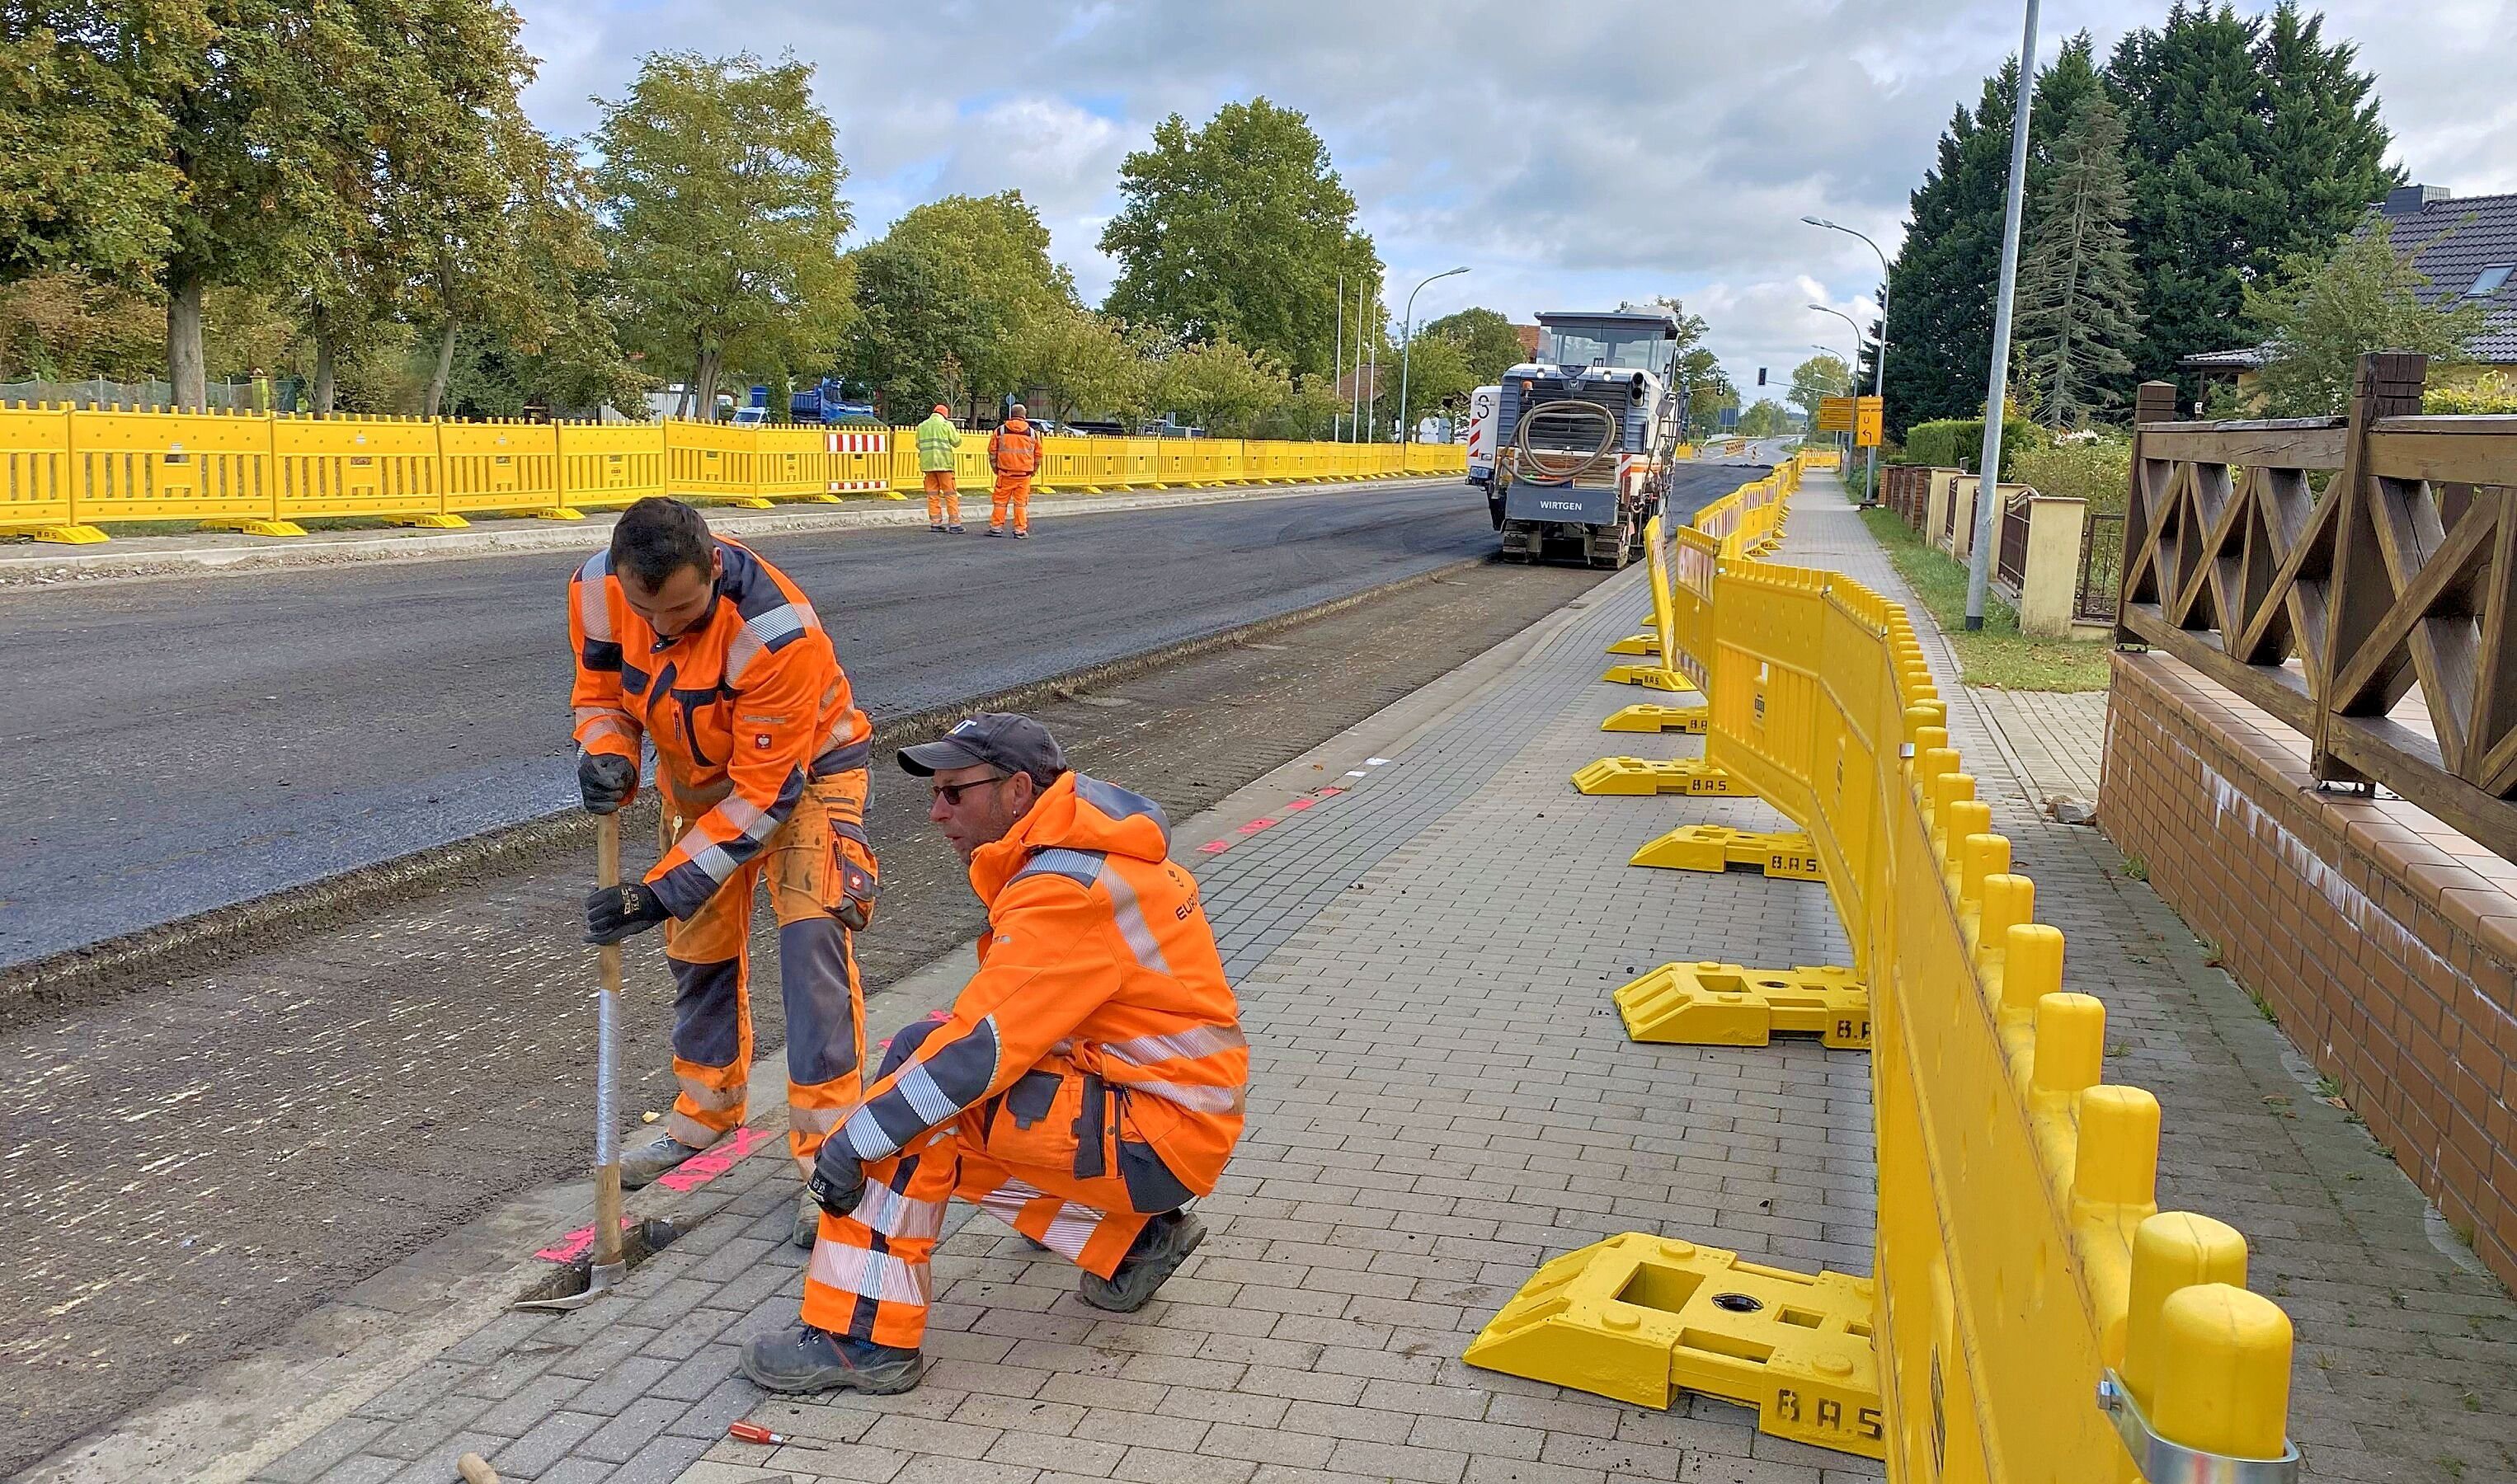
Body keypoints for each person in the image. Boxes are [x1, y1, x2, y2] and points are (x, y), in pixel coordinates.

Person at [740, 713, 1246, 1395]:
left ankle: (861, 1338)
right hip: (1164, 1119)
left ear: (1015, 792)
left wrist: (852, 1140)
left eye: (954, 793)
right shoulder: (1088, 856)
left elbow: (981, 1052)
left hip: (1153, 1134)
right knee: (923, 1069)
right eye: (935, 794)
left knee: (911, 1118)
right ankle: (1133, 1243)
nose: (936, 811)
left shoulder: (1064, 892)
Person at [571, 496, 881, 1250]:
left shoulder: (776, 634)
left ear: (715, 566)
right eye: (652, 615)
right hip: (699, 790)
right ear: (620, 580)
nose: (667, 630)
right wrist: (607, 753)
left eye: (683, 610)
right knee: (698, 949)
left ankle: (831, 1153)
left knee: (811, 949)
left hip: (805, 779)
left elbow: (767, 795)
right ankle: (703, 1115)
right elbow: (603, 695)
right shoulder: (596, 593)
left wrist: (659, 889)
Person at [986, 403, 1043, 538]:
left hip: (1004, 474)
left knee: (1000, 502)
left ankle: (996, 527)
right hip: (1024, 476)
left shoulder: (1000, 431)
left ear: (1011, 415)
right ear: (1024, 416)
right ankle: (1020, 530)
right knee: (1021, 504)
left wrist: (996, 469)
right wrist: (1033, 471)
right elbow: (1038, 456)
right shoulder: (1032, 434)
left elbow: (992, 452)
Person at [915, 403, 963, 533]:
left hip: (928, 465)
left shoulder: (922, 426)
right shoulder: (946, 425)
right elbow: (957, 442)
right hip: (944, 464)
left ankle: (935, 523)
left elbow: (918, 444)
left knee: (932, 495)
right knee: (950, 494)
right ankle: (955, 524)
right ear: (945, 415)